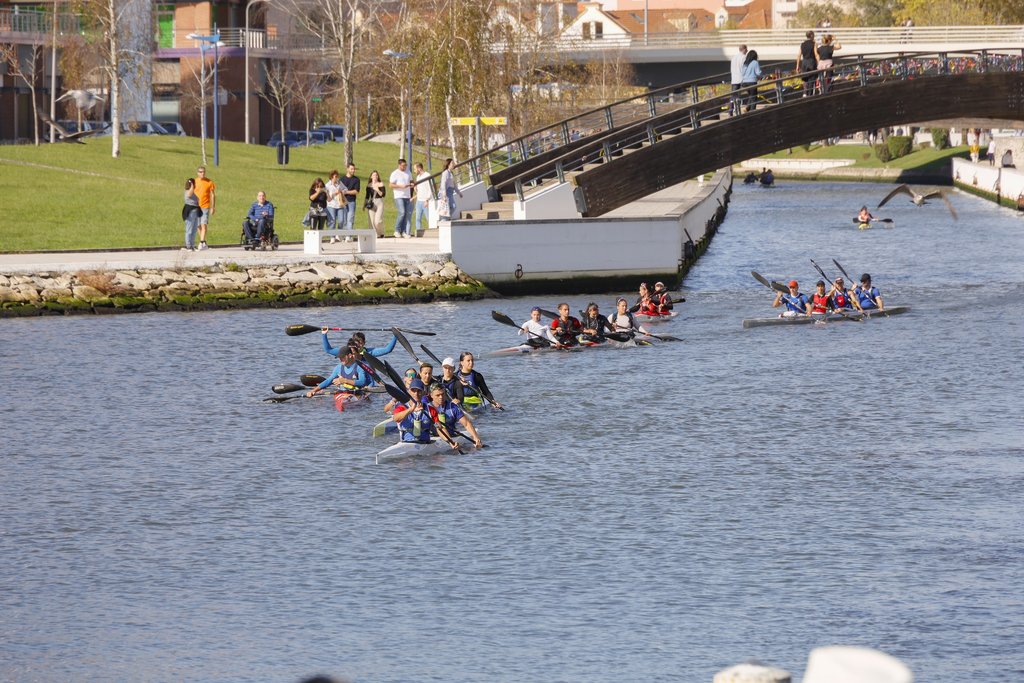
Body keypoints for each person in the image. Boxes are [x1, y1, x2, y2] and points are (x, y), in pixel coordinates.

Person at [392, 379, 457, 448]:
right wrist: (410, 410)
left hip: (425, 445)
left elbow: (440, 429)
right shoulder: (401, 408)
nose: (416, 393)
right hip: (406, 444)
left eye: (419, 391)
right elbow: (395, 418)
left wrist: (450, 442)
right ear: (409, 392)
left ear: (423, 393)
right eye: (413, 390)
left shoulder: (430, 410)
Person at [428, 384, 483, 449]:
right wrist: (451, 442)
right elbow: (440, 428)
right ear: (431, 395)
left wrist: (476, 438)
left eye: (442, 394)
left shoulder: (452, 407)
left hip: (452, 436)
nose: (441, 397)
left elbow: (466, 424)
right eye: (438, 395)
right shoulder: (427, 408)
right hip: (433, 437)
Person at [389, 158, 413, 238]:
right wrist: (400, 186)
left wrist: (412, 185)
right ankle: (397, 230)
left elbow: (411, 181)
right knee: (402, 212)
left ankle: (403, 231)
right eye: (403, 166)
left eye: (405, 165)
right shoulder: (395, 173)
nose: (404, 167)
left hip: (407, 195)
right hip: (399, 196)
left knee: (406, 214)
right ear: (399, 165)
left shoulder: (408, 172)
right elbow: (391, 185)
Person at [193, 165, 216, 250]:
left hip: (205, 206)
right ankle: (203, 242)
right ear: (197, 173)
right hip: (196, 206)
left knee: (204, 224)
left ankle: (201, 242)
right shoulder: (194, 182)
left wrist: (213, 207)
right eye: (200, 172)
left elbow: (213, 195)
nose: (202, 173)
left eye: (203, 172)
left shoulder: (209, 182)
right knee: (198, 225)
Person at [339, 163, 361, 232]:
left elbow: (356, 191)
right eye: (351, 169)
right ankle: (344, 235)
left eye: (354, 169)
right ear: (347, 169)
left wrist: (346, 192)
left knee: (350, 219)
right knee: (344, 219)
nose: (353, 170)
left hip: (351, 202)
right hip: (343, 202)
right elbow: (339, 190)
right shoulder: (342, 179)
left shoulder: (356, 180)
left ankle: (349, 235)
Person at [412, 162, 432, 237]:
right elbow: (420, 190)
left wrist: (427, 199)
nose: (414, 171)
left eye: (415, 169)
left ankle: (433, 232)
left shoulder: (427, 175)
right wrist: (415, 189)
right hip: (419, 201)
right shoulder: (418, 177)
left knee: (429, 218)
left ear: (419, 168)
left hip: (425, 201)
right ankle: (419, 234)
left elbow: (430, 189)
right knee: (417, 218)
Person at [365, 170, 386, 237]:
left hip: (379, 202)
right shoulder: (369, 185)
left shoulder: (381, 184)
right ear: (371, 176)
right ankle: (374, 234)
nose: (375, 176)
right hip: (372, 203)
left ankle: (381, 232)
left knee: (378, 221)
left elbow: (383, 194)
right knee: (371, 221)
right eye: (374, 175)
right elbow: (367, 196)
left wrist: (377, 189)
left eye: (376, 175)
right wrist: (364, 204)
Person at [325, 169, 345, 239]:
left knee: (341, 220)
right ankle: (332, 237)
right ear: (331, 177)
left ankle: (338, 234)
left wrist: (341, 191)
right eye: (335, 176)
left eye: (337, 176)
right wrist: (334, 193)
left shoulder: (339, 183)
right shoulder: (327, 185)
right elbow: (327, 197)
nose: (337, 178)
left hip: (340, 204)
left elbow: (346, 189)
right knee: (332, 221)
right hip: (331, 205)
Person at [181, 178, 201, 251]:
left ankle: (192, 245)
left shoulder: (193, 192)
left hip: (195, 210)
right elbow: (189, 194)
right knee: (189, 229)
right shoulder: (188, 191)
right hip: (190, 211)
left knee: (194, 229)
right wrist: (192, 185)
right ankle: (188, 246)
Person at [796, 30, 817, 96]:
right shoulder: (814, 44)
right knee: (812, 78)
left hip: (804, 62)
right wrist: (819, 63)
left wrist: (797, 66)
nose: (814, 36)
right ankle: (810, 94)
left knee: (805, 79)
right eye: (813, 35)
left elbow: (799, 55)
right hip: (811, 62)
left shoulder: (802, 44)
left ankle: (805, 93)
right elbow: (816, 54)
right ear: (811, 35)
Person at [729, 44, 748, 116]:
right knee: (750, 91)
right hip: (741, 79)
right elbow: (745, 68)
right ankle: (749, 106)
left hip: (734, 78)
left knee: (733, 95)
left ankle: (731, 110)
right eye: (746, 49)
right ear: (743, 49)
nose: (747, 50)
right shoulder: (744, 57)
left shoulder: (733, 58)